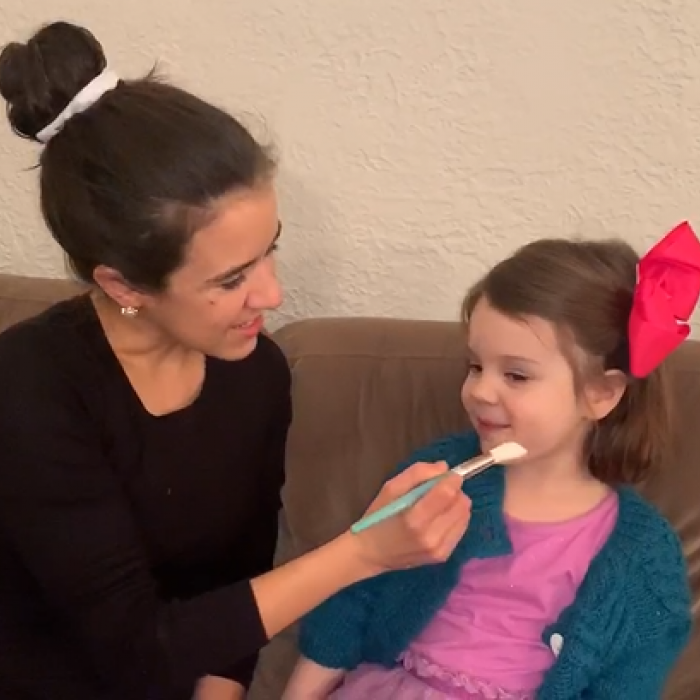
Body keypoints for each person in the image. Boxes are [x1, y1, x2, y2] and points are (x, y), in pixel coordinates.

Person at [0, 21, 472, 700]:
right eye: (231, 280)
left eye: (269, 248)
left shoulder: (255, 374)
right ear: (123, 286)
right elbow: (139, 647)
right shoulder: (32, 387)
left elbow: (232, 582)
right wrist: (364, 551)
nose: (273, 294)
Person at [283, 229, 697, 699]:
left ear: (601, 393)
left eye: (516, 375)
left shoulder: (642, 556)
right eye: (475, 366)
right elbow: (351, 602)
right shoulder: (438, 474)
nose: (480, 391)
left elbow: (628, 682)